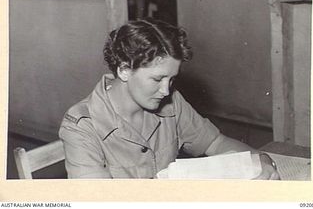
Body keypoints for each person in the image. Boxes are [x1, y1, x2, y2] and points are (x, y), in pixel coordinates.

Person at [59, 18, 280, 179]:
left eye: (172, 79)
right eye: (157, 79)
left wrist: (257, 159)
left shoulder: (170, 101)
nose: (166, 90)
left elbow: (215, 142)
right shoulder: (81, 126)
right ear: (124, 70)